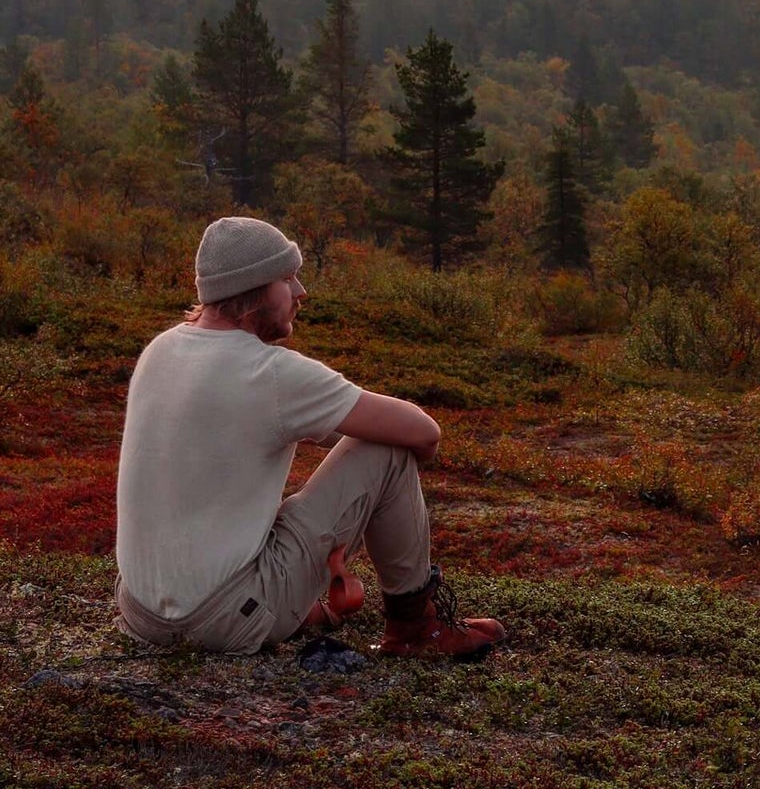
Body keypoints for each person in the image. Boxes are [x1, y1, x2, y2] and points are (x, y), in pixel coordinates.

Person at [114, 215, 502, 659]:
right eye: (287, 278)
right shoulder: (272, 372)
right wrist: (376, 500)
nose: (300, 292)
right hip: (223, 619)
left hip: (140, 615)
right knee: (387, 450)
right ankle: (415, 628)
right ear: (254, 289)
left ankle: (287, 604)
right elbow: (423, 432)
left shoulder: (159, 351)